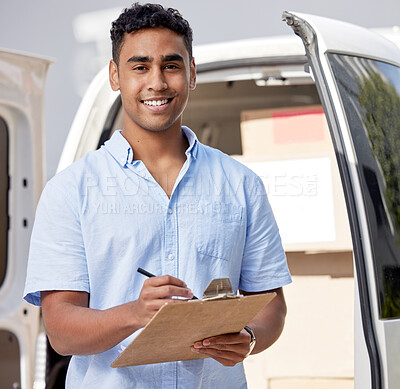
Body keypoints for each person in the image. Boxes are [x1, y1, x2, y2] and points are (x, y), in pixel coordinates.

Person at [24, 3, 292, 388]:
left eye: (171, 65)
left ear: (192, 72)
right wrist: (134, 313)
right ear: (115, 76)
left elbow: (271, 305)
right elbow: (61, 332)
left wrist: (248, 338)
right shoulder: (70, 192)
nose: (157, 82)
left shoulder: (241, 185)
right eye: (140, 66)